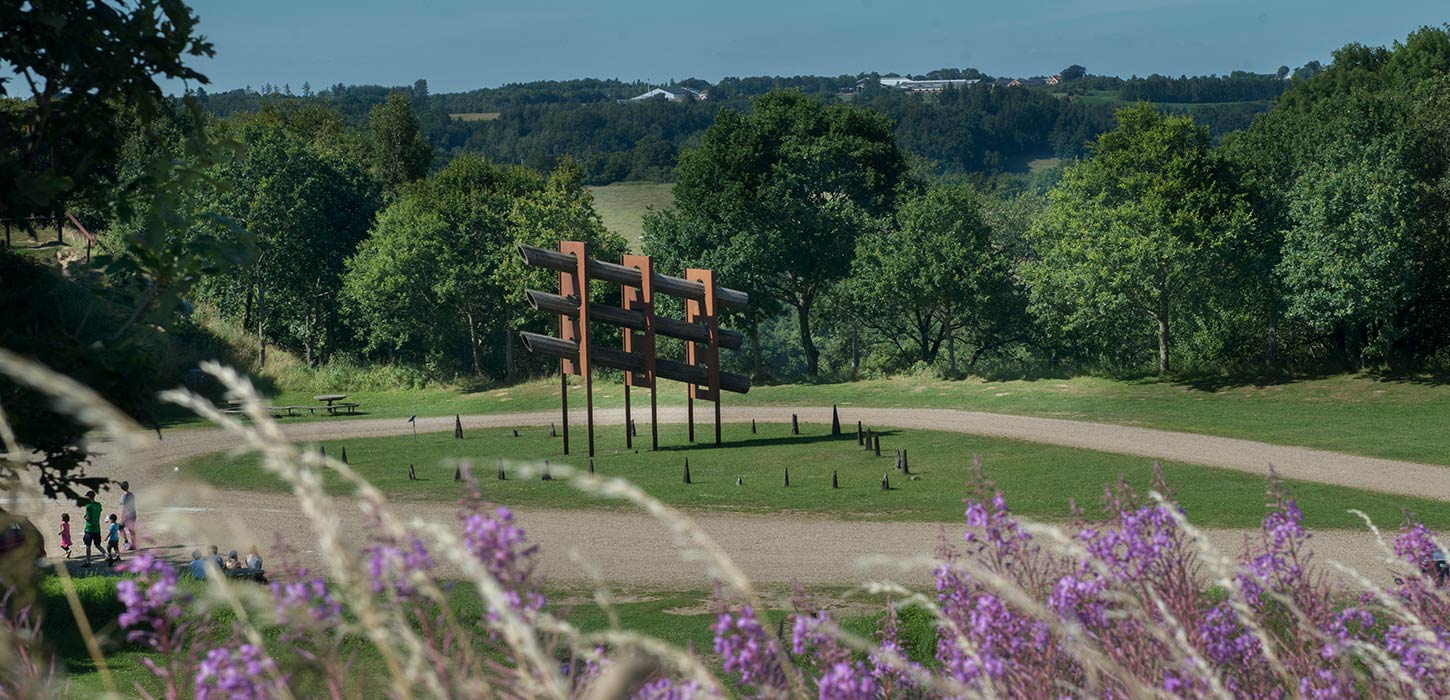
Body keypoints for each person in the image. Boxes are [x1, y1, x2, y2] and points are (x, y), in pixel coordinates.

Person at [81, 491, 102, 566]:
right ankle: (107, 555)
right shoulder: (99, 505)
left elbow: (89, 518)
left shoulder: (88, 506)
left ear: (89, 497)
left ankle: (88, 561)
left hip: (89, 529)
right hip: (97, 528)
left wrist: (85, 517)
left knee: (88, 546)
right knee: (98, 545)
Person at [118, 481, 137, 551]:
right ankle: (134, 544)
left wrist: (122, 517)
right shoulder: (132, 495)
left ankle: (126, 542)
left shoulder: (124, 496)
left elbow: (124, 507)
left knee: (120, 527)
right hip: (133, 513)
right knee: (131, 529)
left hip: (127, 514)